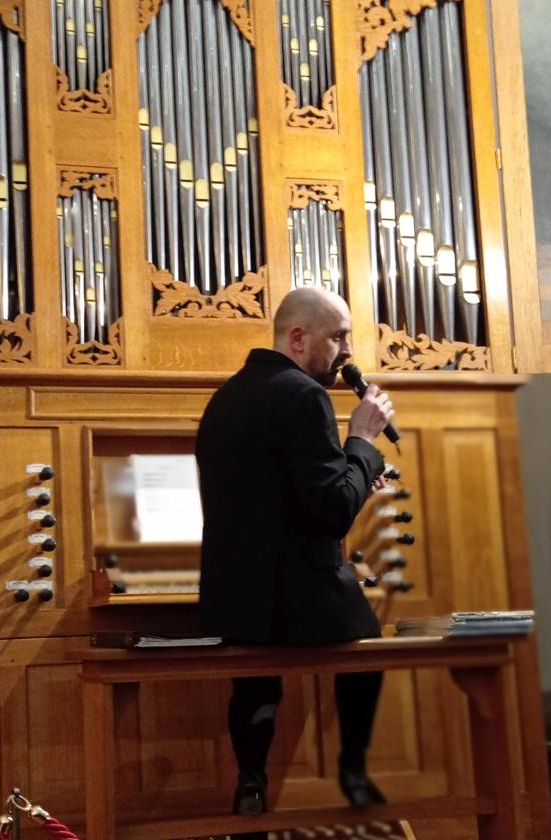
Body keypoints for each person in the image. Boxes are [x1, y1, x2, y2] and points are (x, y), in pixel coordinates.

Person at [195, 286, 395, 823]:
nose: (348, 350)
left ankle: (252, 779)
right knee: (369, 647)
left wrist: (354, 471)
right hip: (302, 600)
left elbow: (276, 490)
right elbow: (330, 513)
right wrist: (363, 442)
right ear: (298, 337)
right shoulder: (305, 397)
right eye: (338, 336)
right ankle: (353, 772)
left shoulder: (226, 397)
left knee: (256, 677)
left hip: (234, 601)